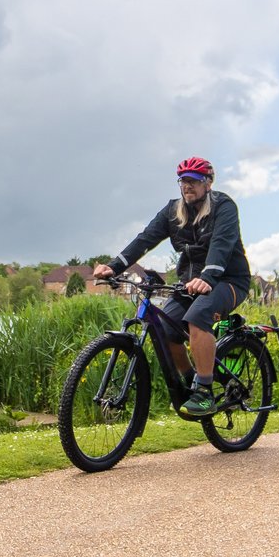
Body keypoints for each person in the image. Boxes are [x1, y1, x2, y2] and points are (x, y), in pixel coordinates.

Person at [93, 156, 252, 417]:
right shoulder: (173, 210)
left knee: (198, 317)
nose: (187, 186)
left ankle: (204, 392)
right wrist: (114, 267)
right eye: (183, 181)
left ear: (208, 183)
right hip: (189, 284)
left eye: (194, 181)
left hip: (228, 280)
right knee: (165, 329)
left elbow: (221, 246)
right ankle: (192, 379)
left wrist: (208, 278)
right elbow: (145, 239)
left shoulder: (223, 207)